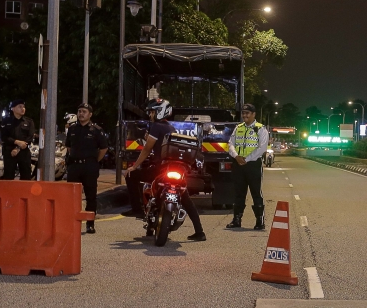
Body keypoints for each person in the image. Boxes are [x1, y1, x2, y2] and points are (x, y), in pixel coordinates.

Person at [124, 98, 206, 241]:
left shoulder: (156, 127)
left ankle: (137, 210)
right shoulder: (171, 128)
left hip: (160, 169)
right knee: (186, 198)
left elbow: (147, 149)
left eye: (153, 112)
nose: (150, 115)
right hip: (177, 170)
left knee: (131, 176)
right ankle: (200, 232)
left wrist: (134, 166)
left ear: (160, 112)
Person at [65, 103, 108, 234]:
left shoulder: (96, 130)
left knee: (90, 197)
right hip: (74, 167)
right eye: (79, 111)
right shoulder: (72, 129)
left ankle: (90, 224)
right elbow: (68, 147)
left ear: (90, 114)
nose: (81, 114)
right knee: (71, 196)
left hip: (89, 167)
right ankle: (71, 223)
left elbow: (104, 148)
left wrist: (94, 161)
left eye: (84, 111)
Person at [226, 103, 269, 230]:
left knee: (256, 193)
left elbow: (262, 148)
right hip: (238, 164)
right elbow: (230, 144)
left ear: (253, 114)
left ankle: (259, 221)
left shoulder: (261, 129)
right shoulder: (238, 128)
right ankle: (237, 219)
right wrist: (236, 156)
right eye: (243, 113)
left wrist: (247, 159)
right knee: (239, 193)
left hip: (253, 165)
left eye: (247, 113)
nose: (244, 115)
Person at [0, 99, 35, 180]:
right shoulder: (6, 121)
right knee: (8, 176)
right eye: (20, 106)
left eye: (24, 107)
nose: (22, 108)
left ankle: (24, 193)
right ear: (13, 108)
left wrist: (18, 148)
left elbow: (30, 137)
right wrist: (16, 142)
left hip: (23, 152)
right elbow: (4, 137)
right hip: (9, 151)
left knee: (26, 176)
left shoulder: (29, 121)